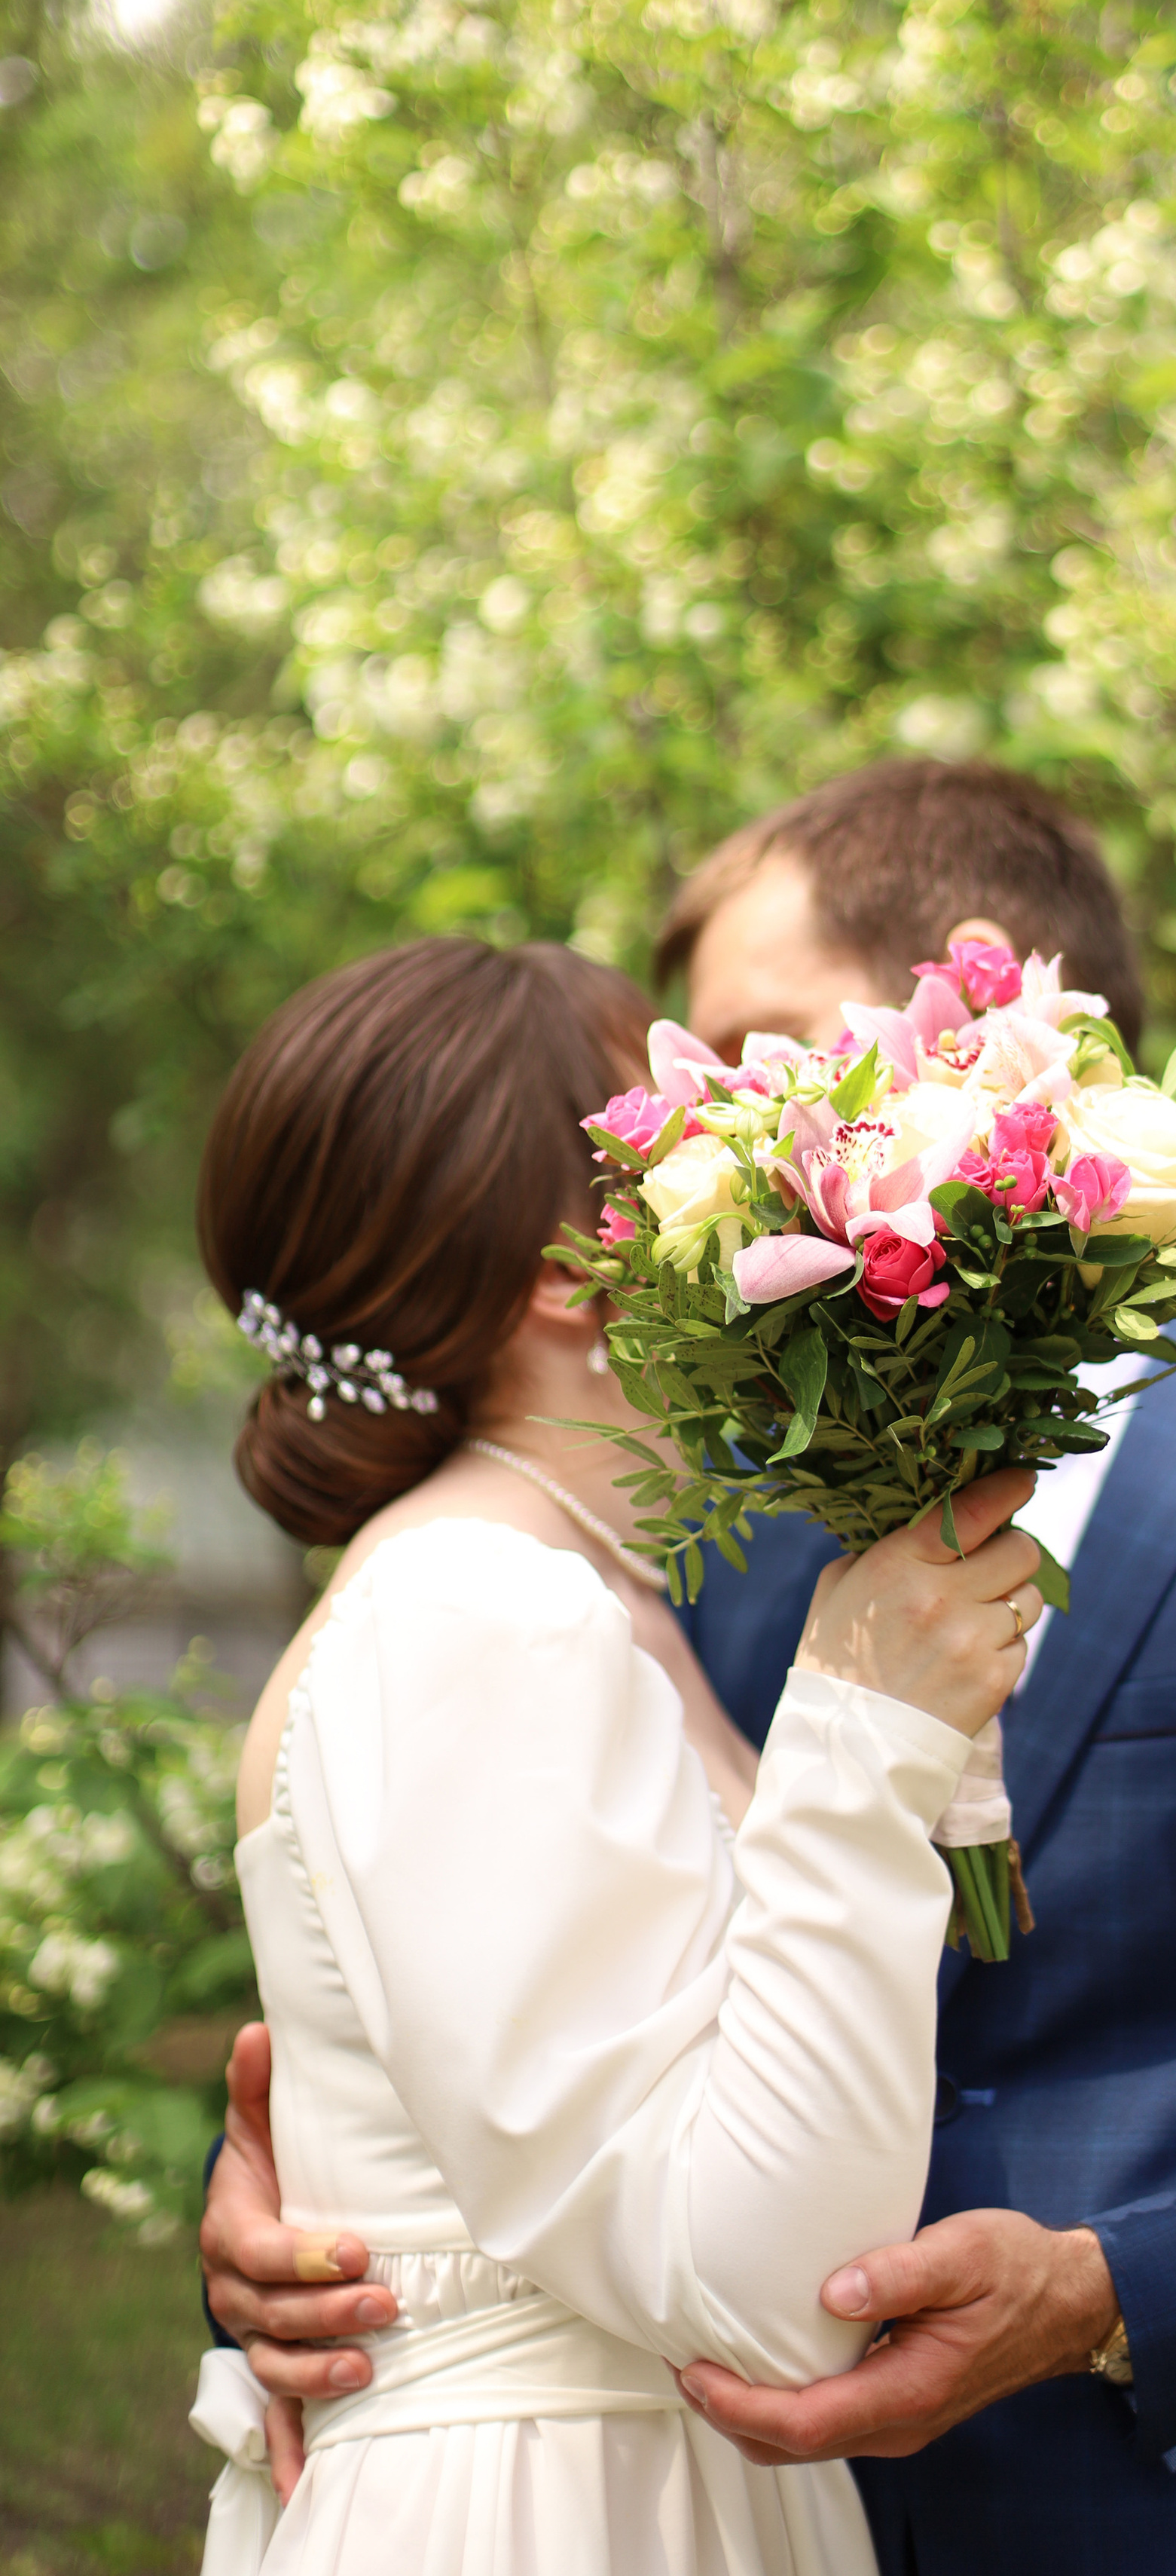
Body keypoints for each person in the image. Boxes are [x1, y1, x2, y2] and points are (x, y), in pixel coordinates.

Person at [203, 766, 1176, 2576]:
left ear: (987, 1022)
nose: (691, 1144)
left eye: (757, 1058)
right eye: (668, 1097)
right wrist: (281, 2238)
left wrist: (1114, 2294)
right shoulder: (704, 1513)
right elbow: (527, 1999)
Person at [186, 931, 1043, 2574]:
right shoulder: (475, 1611)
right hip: (552, 2512)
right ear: (578, 1269)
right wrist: (866, 1740)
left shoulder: (589, 1590)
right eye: (691, 1144)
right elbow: (767, 2295)